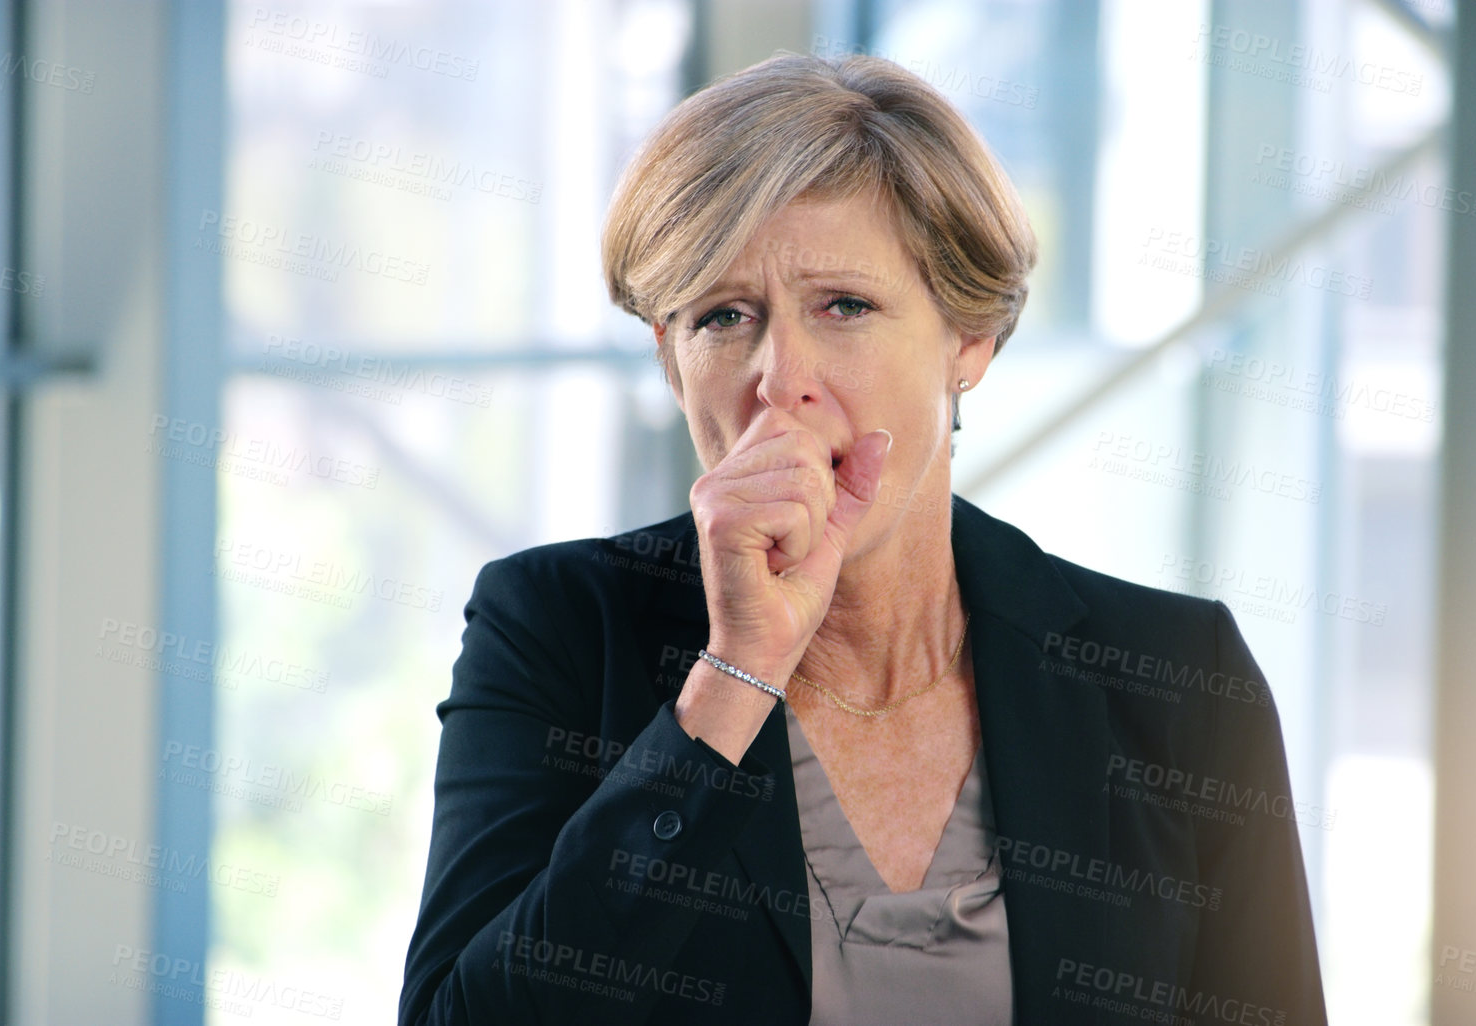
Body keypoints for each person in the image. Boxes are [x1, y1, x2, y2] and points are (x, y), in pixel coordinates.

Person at [399, 52, 1326, 1026]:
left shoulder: (1176, 681)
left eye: (844, 305)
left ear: (969, 339)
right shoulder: (554, 627)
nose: (779, 376)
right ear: (674, 364)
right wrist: (736, 675)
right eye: (725, 316)